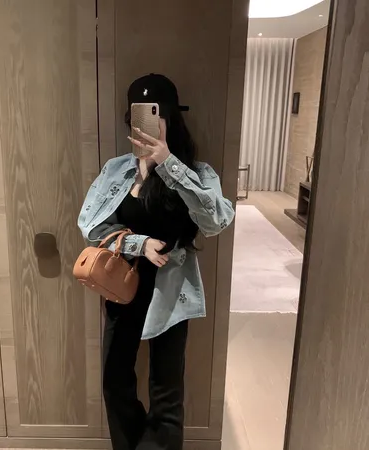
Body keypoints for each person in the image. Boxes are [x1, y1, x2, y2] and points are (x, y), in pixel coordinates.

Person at [77, 74, 234, 450]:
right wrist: (139, 243)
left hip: (172, 289)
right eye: (139, 117)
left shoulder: (197, 172)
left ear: (171, 119)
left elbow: (216, 221)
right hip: (122, 283)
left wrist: (167, 163)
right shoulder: (116, 170)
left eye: (156, 115)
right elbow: (90, 225)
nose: (147, 126)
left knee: (166, 392)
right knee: (115, 382)